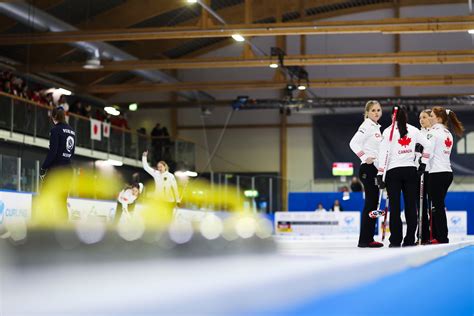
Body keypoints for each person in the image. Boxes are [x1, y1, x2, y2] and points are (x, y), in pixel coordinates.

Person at [377, 106, 432, 247]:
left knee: (395, 208)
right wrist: (423, 164)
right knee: (410, 207)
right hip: (410, 171)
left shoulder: (388, 131)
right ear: (406, 117)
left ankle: (395, 240)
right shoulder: (414, 130)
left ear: (392, 117)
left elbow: (382, 155)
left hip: (393, 172)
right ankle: (409, 240)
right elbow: (429, 146)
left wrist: (380, 174)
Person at [427, 107, 464, 244]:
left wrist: (421, 161)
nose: (429, 117)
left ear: (438, 118)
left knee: (437, 206)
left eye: (431, 115)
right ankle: (438, 235)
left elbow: (428, 152)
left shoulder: (433, 132)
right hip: (447, 172)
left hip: (436, 173)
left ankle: (442, 237)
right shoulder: (447, 133)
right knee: (438, 205)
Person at [349, 100, 384, 248]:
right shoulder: (367, 126)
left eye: (378, 110)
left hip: (374, 169)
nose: (376, 113)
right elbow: (353, 143)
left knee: (373, 203)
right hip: (368, 169)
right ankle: (365, 239)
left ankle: (368, 238)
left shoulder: (376, 127)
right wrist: (364, 157)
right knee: (371, 203)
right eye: (373, 110)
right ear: (367, 113)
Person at [40, 106, 76, 219]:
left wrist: (44, 167)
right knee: (62, 201)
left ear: (54, 116)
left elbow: (53, 151)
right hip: (68, 170)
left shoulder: (55, 130)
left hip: (56, 169)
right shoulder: (72, 131)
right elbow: (72, 152)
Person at [415, 109, 433, 244]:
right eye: (420, 117)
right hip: (419, 172)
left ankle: (434, 235)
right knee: (420, 205)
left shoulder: (434, 133)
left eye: (425, 117)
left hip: (432, 172)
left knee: (433, 206)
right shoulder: (416, 133)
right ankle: (422, 235)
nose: (421, 120)